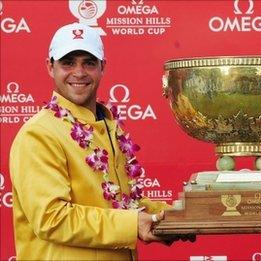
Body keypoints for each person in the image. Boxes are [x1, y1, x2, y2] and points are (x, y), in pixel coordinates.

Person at [9, 23, 188, 260]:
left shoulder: (107, 125)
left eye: (89, 62)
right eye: (68, 62)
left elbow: (118, 204)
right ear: (50, 67)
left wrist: (177, 216)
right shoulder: (39, 134)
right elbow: (52, 218)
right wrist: (133, 224)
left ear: (102, 67)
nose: (79, 72)